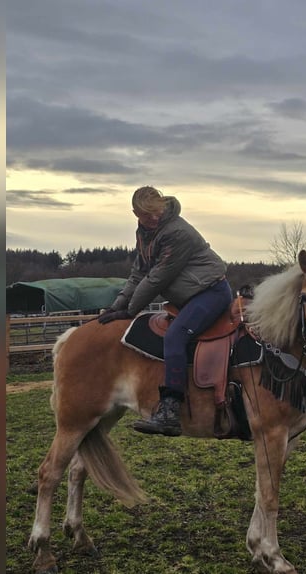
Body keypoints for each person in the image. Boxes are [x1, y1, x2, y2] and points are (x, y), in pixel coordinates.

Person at [97, 186, 232, 436]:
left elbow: (157, 278)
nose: (154, 219)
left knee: (175, 336)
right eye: (147, 216)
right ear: (135, 213)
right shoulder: (145, 231)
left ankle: (170, 409)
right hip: (189, 295)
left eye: (157, 213)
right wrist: (117, 305)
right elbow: (139, 272)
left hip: (210, 292)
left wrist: (130, 311)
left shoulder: (177, 232)